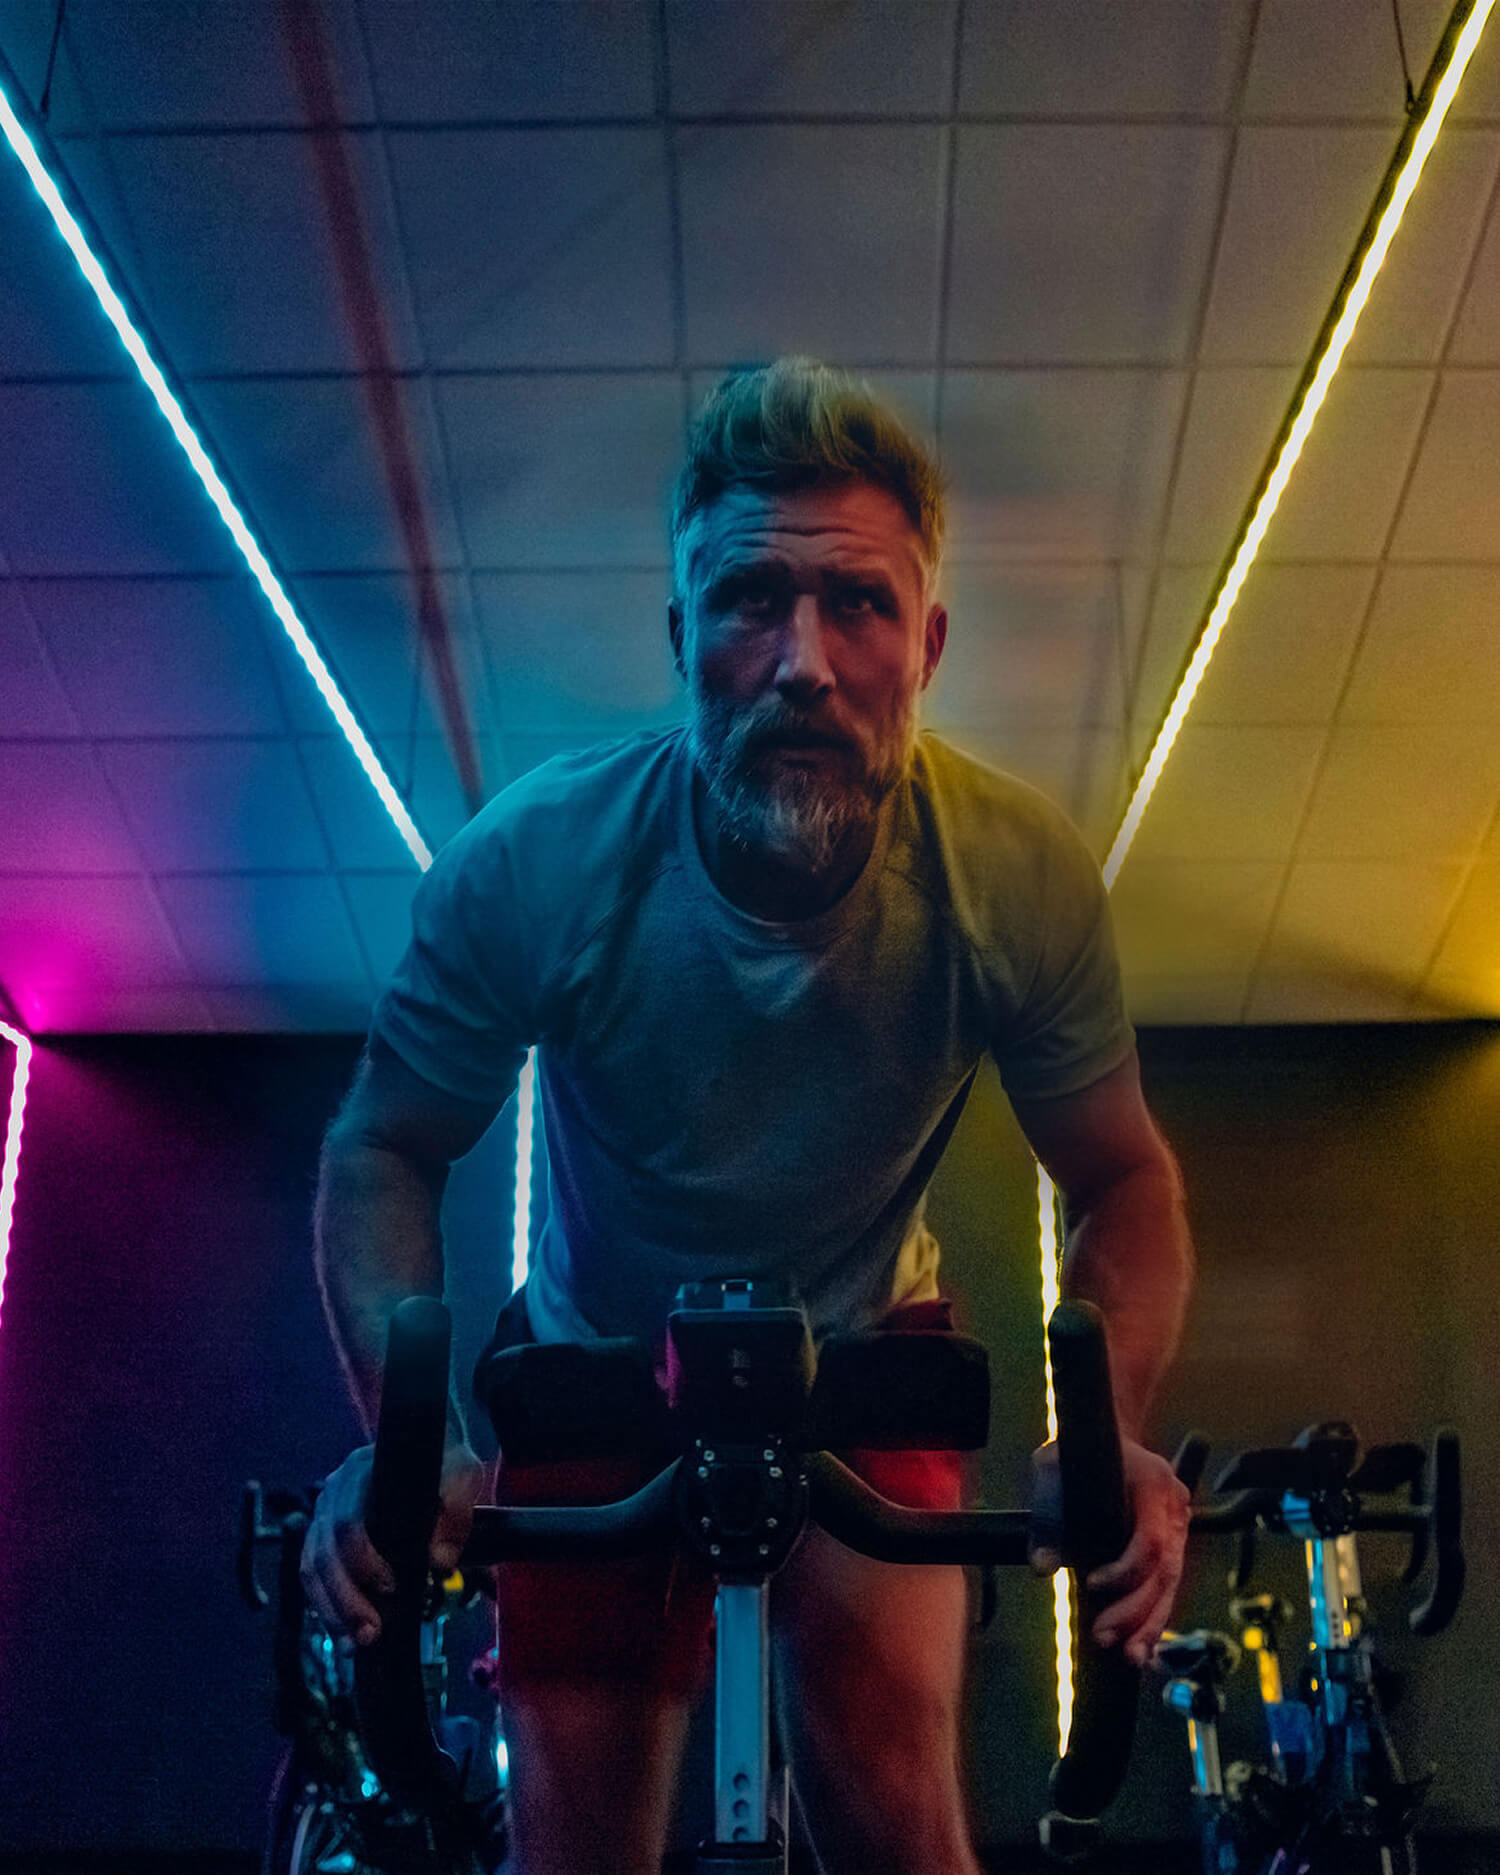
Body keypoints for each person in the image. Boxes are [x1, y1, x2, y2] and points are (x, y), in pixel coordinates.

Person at [301, 358, 1194, 1875]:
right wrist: (411, 1443)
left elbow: (1125, 1182)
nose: (802, 664)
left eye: (857, 605)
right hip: (594, 1357)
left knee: (896, 1796)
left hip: (862, 1348)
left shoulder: (1014, 878)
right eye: (750, 602)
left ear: (928, 643)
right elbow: (383, 1148)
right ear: (682, 638)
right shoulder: (538, 863)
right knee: (576, 1845)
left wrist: (1106, 1438)